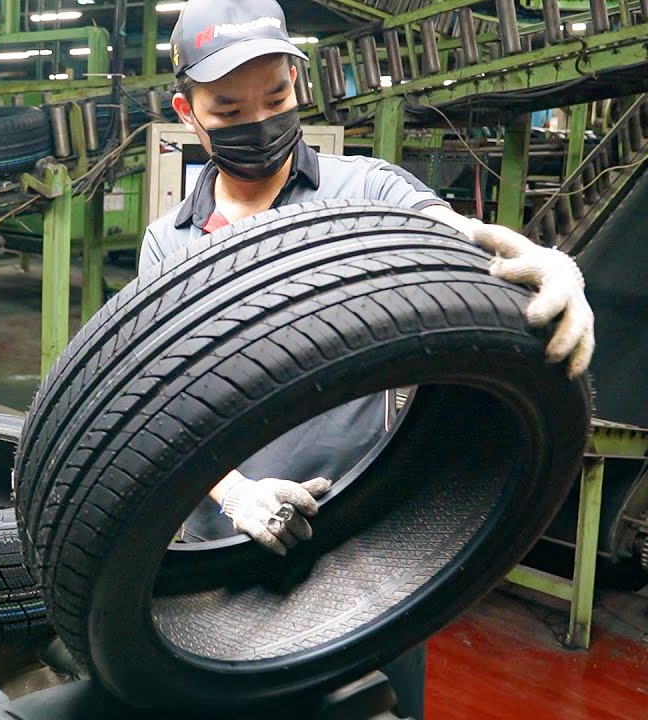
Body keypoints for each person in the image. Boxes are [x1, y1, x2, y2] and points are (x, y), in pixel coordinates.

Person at [142, 0, 596, 716]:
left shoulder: (366, 191)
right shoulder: (169, 243)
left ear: (297, 85)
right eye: (228, 109)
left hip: (373, 540)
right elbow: (160, 403)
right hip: (226, 547)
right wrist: (232, 494)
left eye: (276, 99)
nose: (258, 122)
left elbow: (454, 238)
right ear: (187, 112)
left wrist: (544, 266)